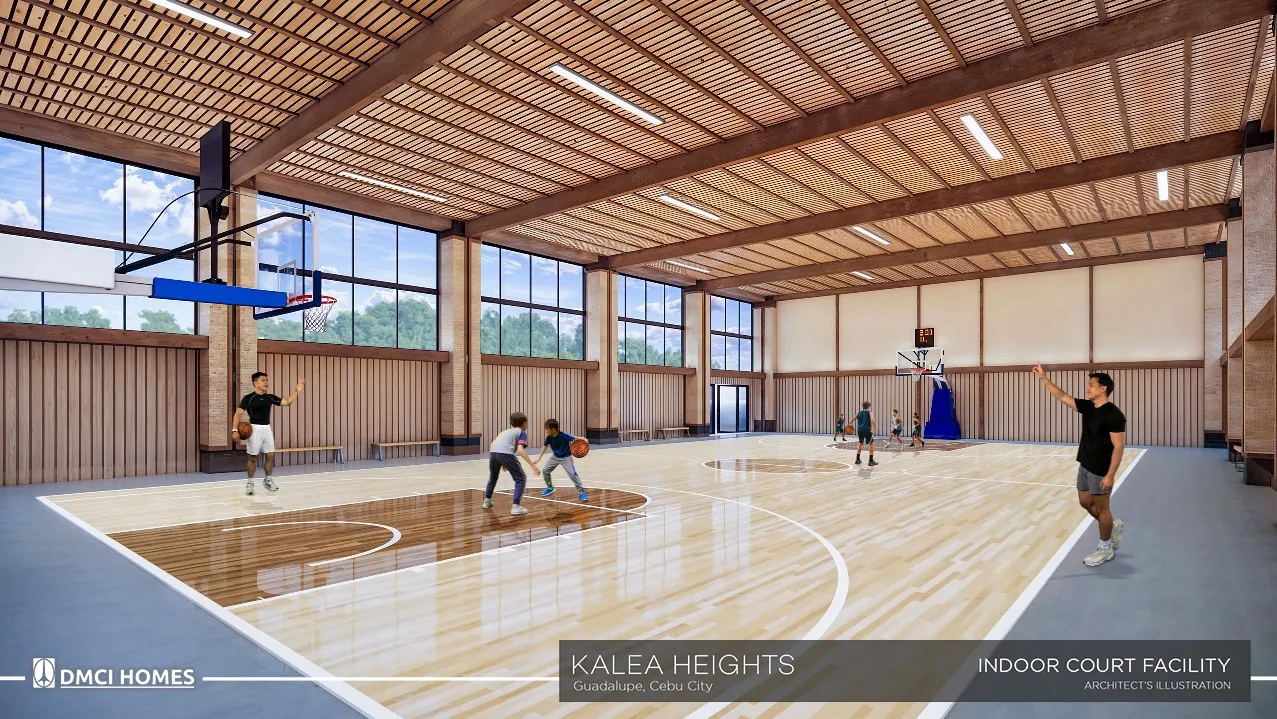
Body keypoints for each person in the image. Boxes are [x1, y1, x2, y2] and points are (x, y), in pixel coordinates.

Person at [1031, 362, 1126, 567]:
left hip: (1100, 468)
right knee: (1084, 502)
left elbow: (1118, 447)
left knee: (1102, 508)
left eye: (1091, 385)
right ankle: (1112, 525)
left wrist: (1110, 475)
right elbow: (1062, 396)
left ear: (1103, 388)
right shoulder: (1089, 408)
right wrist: (1043, 378)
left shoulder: (1113, 415)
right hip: (1085, 464)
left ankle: (1105, 548)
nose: (1087, 387)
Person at [232, 372, 304, 496]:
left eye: (267, 380)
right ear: (255, 383)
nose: (266, 382)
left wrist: (296, 390)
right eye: (263, 380)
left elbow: (287, 402)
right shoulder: (248, 398)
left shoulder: (270, 397)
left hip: (266, 429)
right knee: (253, 458)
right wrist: (235, 431)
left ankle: (268, 480)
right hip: (254, 429)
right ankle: (250, 483)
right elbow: (237, 414)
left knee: (270, 455)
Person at [485, 411, 540, 516]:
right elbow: (520, 450)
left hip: (493, 452)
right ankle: (516, 507)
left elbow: (503, 445)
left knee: (493, 476)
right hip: (504, 453)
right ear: (525, 423)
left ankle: (487, 500)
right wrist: (533, 466)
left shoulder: (506, 432)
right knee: (521, 478)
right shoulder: (521, 432)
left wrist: (504, 463)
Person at [535, 418, 589, 502]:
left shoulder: (563, 435)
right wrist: (539, 458)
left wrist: (583, 439)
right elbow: (545, 446)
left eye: (547, 429)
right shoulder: (549, 437)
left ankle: (581, 492)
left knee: (572, 474)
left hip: (566, 457)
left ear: (553, 429)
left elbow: (574, 438)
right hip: (555, 457)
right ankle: (550, 488)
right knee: (545, 471)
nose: (546, 431)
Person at [854, 401, 877, 466]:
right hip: (867, 430)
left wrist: (849, 425)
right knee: (871, 443)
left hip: (860, 430)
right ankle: (871, 461)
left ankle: (857, 459)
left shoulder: (859, 413)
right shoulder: (870, 413)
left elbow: (853, 419)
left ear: (863, 406)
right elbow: (872, 420)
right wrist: (875, 428)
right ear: (869, 406)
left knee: (860, 443)